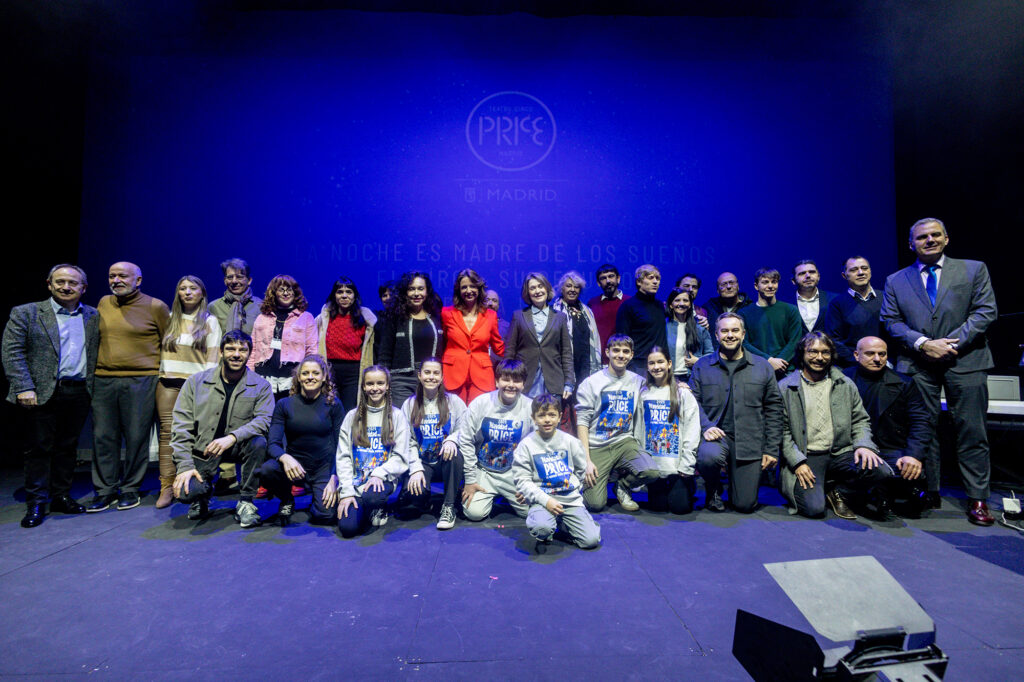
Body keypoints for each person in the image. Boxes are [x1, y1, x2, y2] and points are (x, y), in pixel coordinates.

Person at [881, 217, 998, 525]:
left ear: (946, 239)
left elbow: (986, 311)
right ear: (911, 244)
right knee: (924, 428)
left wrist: (949, 344)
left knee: (972, 431)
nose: (929, 240)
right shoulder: (895, 280)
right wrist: (923, 344)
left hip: (967, 360)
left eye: (935, 235)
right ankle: (928, 490)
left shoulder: (973, 269)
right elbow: (891, 322)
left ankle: (978, 498)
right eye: (922, 237)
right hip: (918, 363)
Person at [2, 264, 98, 527]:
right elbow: (13, 352)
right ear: (49, 284)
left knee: (67, 448)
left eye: (73, 283)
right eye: (60, 282)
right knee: (39, 448)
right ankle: (36, 502)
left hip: (78, 390)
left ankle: (60, 496)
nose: (66, 287)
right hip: (41, 391)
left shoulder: (92, 315)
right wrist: (23, 386)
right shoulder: (27, 313)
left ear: (83, 288)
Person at [778, 332, 892, 520]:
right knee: (814, 509)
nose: (819, 358)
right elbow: (781, 431)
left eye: (825, 352)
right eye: (813, 352)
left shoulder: (845, 384)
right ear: (802, 354)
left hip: (841, 453)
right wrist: (797, 462)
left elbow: (860, 420)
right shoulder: (786, 388)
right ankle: (821, 488)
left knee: (881, 471)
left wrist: (864, 445)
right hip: (807, 456)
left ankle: (839, 492)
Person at [88, 261, 170, 512]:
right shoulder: (103, 303)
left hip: (141, 379)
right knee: (103, 437)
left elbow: (168, 342)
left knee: (136, 436)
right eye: (111, 276)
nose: (116, 280)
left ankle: (131, 488)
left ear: (138, 280)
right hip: (104, 378)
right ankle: (105, 490)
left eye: (122, 276)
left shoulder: (156, 306)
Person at [170, 330, 274, 527]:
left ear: (249, 353)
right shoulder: (196, 382)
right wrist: (184, 467)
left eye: (242, 350)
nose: (236, 354)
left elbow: (264, 420)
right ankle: (202, 498)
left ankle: (246, 502)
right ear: (220, 352)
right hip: (204, 450)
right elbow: (180, 427)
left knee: (259, 442)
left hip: (238, 446)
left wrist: (232, 437)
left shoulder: (261, 386)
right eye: (230, 349)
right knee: (188, 492)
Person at [690, 313, 783, 513]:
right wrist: (706, 427)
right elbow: (691, 402)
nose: (730, 335)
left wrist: (771, 449)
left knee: (744, 505)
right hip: (716, 438)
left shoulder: (762, 367)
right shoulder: (702, 366)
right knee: (708, 457)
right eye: (724, 331)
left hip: (750, 441)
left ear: (743, 334)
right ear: (716, 335)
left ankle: (736, 486)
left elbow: (774, 409)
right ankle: (713, 487)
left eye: (734, 330)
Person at [845, 337, 931, 516]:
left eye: (882, 354)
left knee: (910, 470)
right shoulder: (842, 380)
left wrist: (913, 455)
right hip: (853, 447)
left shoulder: (904, 382)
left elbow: (921, 421)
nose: (877, 359)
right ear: (856, 355)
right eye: (870, 353)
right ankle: (876, 492)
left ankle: (883, 491)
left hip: (890, 447)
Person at [155, 275, 221, 509]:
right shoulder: (169, 319)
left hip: (194, 385)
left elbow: (213, 359)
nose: (187, 292)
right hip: (168, 383)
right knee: (167, 434)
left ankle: (194, 484)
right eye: (182, 288)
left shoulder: (210, 322)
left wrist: (208, 387)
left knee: (196, 434)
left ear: (202, 293)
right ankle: (166, 485)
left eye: (193, 288)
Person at [575, 334, 660, 512]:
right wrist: (587, 460)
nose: (621, 355)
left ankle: (622, 486)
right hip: (597, 445)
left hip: (624, 442)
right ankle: (598, 476)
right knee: (595, 504)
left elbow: (661, 387)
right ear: (607, 352)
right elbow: (582, 422)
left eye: (625, 351)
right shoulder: (591, 383)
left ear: (631, 355)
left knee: (651, 471)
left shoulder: (638, 381)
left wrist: (680, 385)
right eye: (616, 351)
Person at [258, 355, 342, 525]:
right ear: (298, 377)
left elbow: (342, 446)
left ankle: (317, 500)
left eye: (315, 373)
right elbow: (272, 443)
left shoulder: (334, 404)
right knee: (267, 470)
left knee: (325, 516)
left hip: (323, 468)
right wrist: (285, 457)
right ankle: (287, 498)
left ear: (324, 376)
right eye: (305, 373)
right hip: (294, 467)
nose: (310, 377)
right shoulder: (284, 404)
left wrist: (335, 477)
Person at [513, 393, 601, 550]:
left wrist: (574, 491)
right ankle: (547, 523)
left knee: (591, 540)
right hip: (543, 499)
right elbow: (522, 480)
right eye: (542, 415)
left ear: (560, 417)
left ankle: (564, 523)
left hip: (569, 500)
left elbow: (581, 470)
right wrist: (546, 500)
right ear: (533, 418)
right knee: (542, 529)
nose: (547, 420)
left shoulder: (571, 442)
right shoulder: (526, 445)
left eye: (552, 415)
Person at [335, 365, 415, 537]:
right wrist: (346, 492)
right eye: (370, 384)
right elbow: (344, 457)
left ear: (387, 386)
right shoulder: (352, 417)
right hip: (357, 483)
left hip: (381, 480)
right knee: (348, 529)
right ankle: (362, 508)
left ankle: (377, 506)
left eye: (380, 383)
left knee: (372, 497)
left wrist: (379, 473)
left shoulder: (397, 416)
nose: (375, 388)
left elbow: (401, 457)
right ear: (363, 386)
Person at [457, 358, 534, 521]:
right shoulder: (480, 403)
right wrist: (470, 480)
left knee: (532, 511)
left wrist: (529, 480)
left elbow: (540, 445)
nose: (511, 385)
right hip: (484, 470)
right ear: (497, 381)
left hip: (513, 472)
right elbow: (465, 440)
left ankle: (506, 496)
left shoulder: (531, 407)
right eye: (506, 379)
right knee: (474, 513)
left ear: (523, 384)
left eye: (517, 380)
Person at [396, 357, 467, 530]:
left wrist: (452, 439)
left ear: (442, 377)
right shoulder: (410, 404)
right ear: (419, 375)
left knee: (455, 454)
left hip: (445, 462)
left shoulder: (454, 402)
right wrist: (416, 469)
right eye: (427, 372)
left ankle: (449, 505)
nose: (431, 377)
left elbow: (465, 430)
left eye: (436, 373)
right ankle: (425, 498)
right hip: (423, 463)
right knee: (413, 499)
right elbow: (408, 441)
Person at [634, 347, 700, 515]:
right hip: (655, 466)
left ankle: (688, 485)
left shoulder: (683, 394)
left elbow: (692, 431)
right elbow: (639, 431)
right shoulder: (643, 394)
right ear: (647, 367)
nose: (656, 367)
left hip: (677, 466)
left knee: (680, 508)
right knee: (658, 507)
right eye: (652, 363)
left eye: (660, 362)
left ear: (669, 364)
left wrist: (686, 464)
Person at [376, 271, 446, 407]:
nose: (416, 293)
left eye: (420, 289)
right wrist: (382, 380)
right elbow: (385, 352)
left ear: (427, 291)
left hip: (430, 379)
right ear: (404, 292)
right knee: (402, 422)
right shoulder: (395, 317)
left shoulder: (436, 317)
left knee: (427, 422)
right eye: (411, 289)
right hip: (401, 380)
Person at [505, 272, 575, 401]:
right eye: (532, 288)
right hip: (525, 381)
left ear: (547, 289)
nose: (537, 291)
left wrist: (569, 382)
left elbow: (566, 353)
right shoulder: (518, 316)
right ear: (527, 293)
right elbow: (510, 351)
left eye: (540, 286)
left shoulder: (560, 317)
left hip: (553, 381)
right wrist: (507, 378)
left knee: (550, 420)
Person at [248, 274, 318, 400]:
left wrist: (307, 375)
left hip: (292, 379)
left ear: (295, 292)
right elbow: (253, 350)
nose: (286, 293)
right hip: (263, 377)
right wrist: (250, 376)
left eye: (289, 290)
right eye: (281, 290)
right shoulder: (262, 318)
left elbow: (311, 351)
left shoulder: (306, 318)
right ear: (274, 293)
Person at [441, 268, 505, 404]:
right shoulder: (446, 314)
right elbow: (443, 342)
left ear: (479, 288)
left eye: (472, 286)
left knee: (479, 417)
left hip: (481, 375)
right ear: (458, 290)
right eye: (464, 287)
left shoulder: (491, 316)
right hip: (453, 374)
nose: (468, 290)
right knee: (454, 417)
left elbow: (499, 348)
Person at [316, 276, 376, 414]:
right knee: (329, 409)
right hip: (330, 370)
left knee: (350, 411)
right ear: (334, 295)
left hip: (353, 373)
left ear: (354, 296)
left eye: (348, 292)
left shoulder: (365, 319)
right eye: (340, 292)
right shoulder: (324, 317)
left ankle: (349, 436)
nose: (344, 295)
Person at [739, 267, 803, 377]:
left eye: (774, 282)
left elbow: (795, 340)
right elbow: (744, 343)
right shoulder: (744, 314)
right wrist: (768, 360)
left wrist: (779, 362)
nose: (770, 286)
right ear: (756, 286)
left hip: (786, 370)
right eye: (765, 282)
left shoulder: (790, 310)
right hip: (756, 371)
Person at [826, 256, 885, 367]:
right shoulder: (837, 303)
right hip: (854, 366)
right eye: (854, 270)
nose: (860, 272)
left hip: (887, 363)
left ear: (870, 271)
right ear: (844, 275)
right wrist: (857, 360)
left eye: (864, 268)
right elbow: (834, 340)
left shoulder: (886, 297)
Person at [614, 264, 669, 374]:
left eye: (657, 278)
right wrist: (630, 366)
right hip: (638, 366)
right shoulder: (628, 306)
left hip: (660, 364)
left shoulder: (660, 305)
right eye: (650, 277)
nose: (655, 282)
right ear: (639, 282)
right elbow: (622, 339)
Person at [552, 270, 602, 383]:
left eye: (577, 287)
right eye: (568, 286)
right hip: (565, 363)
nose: (572, 290)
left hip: (586, 362)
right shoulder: (554, 311)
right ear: (562, 289)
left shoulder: (588, 311)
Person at [665, 288, 714, 383]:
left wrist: (698, 361)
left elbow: (711, 354)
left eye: (685, 300)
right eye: (677, 300)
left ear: (690, 305)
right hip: (668, 378)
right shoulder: (663, 327)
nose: (682, 303)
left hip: (692, 378)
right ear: (671, 305)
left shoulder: (700, 328)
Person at [208, 258, 262, 336]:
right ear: (225, 281)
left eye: (239, 277)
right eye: (230, 277)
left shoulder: (261, 306)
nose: (234, 281)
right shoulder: (213, 307)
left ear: (249, 280)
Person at [586, 264, 630, 351]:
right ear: (598, 283)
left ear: (618, 279)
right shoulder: (592, 303)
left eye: (611, 276)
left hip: (624, 356)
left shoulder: (629, 302)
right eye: (603, 278)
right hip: (599, 358)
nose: (608, 281)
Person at [792, 259, 836, 333]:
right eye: (802, 273)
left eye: (812, 272)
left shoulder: (834, 300)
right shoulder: (786, 304)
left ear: (818, 277)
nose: (808, 276)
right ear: (793, 281)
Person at [483, 288, 510, 368]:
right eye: (486, 300)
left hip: (499, 371)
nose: (490, 303)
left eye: (494, 301)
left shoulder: (507, 327)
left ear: (498, 305)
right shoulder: (473, 323)